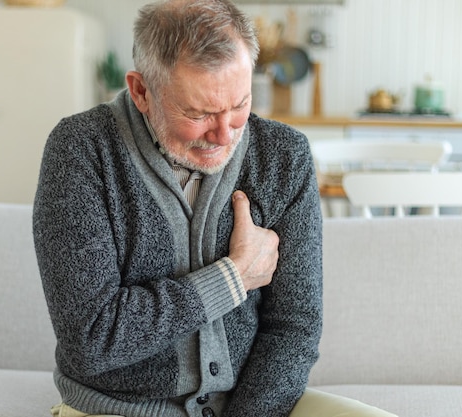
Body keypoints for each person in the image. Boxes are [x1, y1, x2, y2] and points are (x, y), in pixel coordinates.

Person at [33, 1, 396, 417]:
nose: (224, 135)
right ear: (141, 92)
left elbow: (294, 328)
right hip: (120, 409)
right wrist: (233, 277)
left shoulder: (284, 156)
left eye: (240, 105)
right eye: (199, 113)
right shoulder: (80, 150)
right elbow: (92, 339)